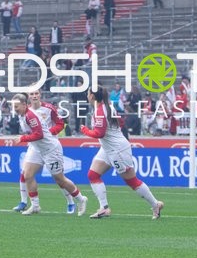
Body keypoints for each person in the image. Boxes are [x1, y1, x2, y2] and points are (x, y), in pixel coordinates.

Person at [80, 87, 164, 220]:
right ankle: (104, 208)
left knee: (132, 181)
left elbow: (99, 133)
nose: (87, 95)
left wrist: (85, 130)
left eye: (88, 93)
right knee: (93, 175)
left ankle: (155, 204)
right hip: (108, 148)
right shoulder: (107, 107)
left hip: (116, 150)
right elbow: (121, 122)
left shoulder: (101, 110)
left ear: (92, 96)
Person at [10, 93, 88, 216]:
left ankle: (81, 199)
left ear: (24, 105)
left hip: (51, 149)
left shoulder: (30, 116)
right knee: (27, 175)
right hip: (38, 149)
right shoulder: (23, 115)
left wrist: (22, 138)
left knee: (60, 179)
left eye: (16, 106)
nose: (14, 109)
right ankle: (35, 206)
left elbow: (39, 134)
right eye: (13, 106)